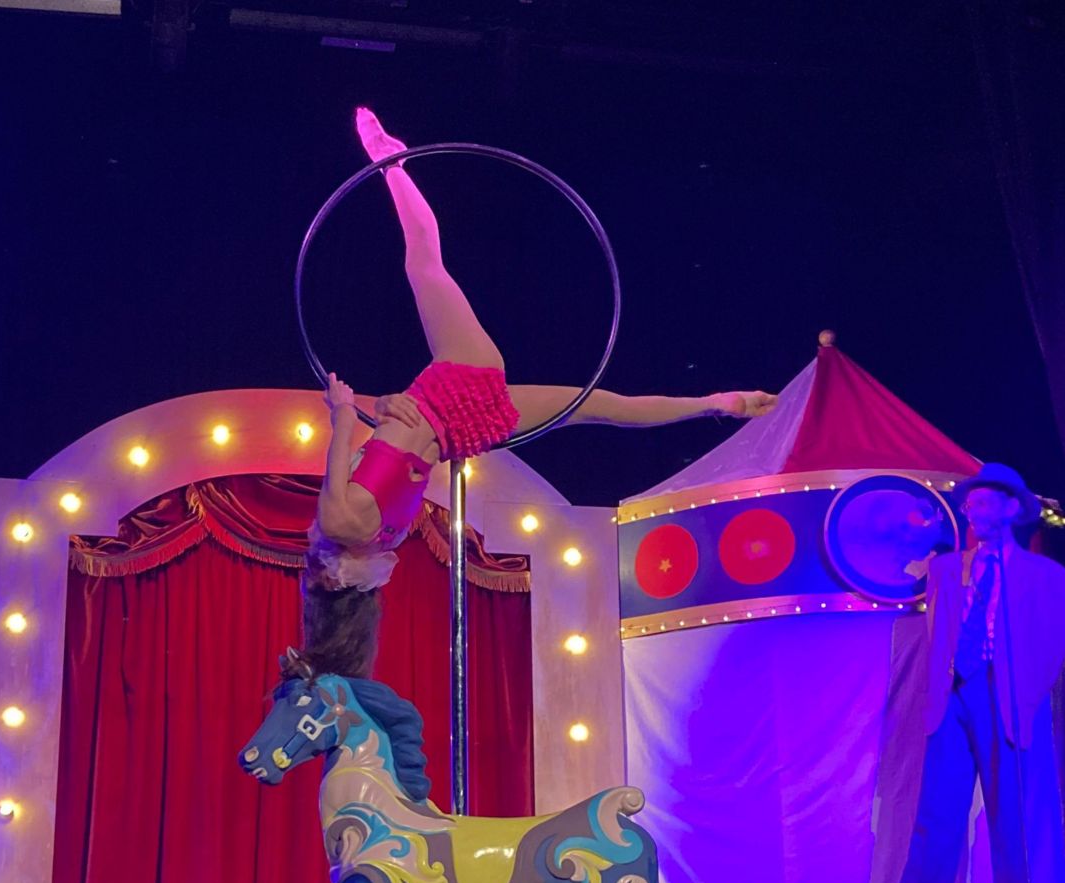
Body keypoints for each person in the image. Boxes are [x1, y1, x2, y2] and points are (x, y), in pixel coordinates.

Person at [306, 107, 778, 594]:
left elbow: (394, 460)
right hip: (451, 388)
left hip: (469, 432)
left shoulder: (391, 534)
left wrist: (383, 405)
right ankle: (392, 164)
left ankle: (717, 404)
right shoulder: (339, 522)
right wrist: (345, 407)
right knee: (424, 267)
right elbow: (349, 433)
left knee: (602, 408)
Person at [835, 462, 1065, 883]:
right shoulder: (948, 568)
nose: (973, 512)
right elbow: (938, 632)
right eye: (970, 504)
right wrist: (940, 694)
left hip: (1003, 697)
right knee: (936, 808)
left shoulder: (1045, 575)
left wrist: (1021, 697)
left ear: (1010, 509)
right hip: (953, 698)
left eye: (984, 503)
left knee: (1010, 814)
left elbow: (1049, 644)